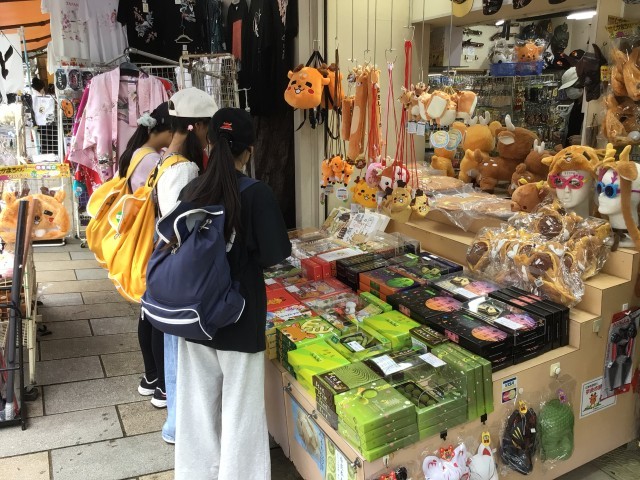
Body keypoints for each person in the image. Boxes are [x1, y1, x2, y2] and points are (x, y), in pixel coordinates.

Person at [174, 108, 291, 479]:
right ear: (250, 150)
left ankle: (195, 474)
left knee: (197, 410)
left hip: (195, 315)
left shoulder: (191, 191)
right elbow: (275, 254)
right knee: (242, 413)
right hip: (240, 316)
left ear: (209, 143)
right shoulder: (256, 194)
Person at [158, 87, 219, 444]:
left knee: (174, 348)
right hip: (182, 271)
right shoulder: (186, 169)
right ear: (197, 126)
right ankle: (180, 427)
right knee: (183, 353)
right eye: (209, 126)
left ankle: (176, 424)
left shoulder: (167, 160)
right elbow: (183, 227)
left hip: (169, 270)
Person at [121, 103, 173, 408]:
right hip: (151, 243)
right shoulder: (153, 160)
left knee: (146, 312)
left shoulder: (135, 153)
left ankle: (150, 377)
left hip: (140, 242)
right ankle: (162, 387)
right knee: (156, 316)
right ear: (162, 130)